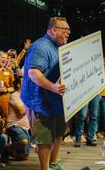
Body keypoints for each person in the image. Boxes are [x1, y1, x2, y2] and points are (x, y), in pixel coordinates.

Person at [21, 17, 69, 170]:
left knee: (59, 131)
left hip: (55, 100)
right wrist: (53, 87)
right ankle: (45, 168)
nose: (69, 32)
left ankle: (54, 163)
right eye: (65, 29)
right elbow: (33, 73)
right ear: (53, 30)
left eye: (69, 29)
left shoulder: (57, 47)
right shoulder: (41, 47)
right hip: (40, 100)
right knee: (45, 137)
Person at [2, 76, 31, 162]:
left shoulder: (27, 95)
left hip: (25, 127)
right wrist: (30, 101)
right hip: (14, 125)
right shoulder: (14, 96)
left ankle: (10, 150)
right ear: (18, 85)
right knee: (24, 141)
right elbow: (21, 112)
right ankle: (6, 149)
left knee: (24, 157)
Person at [0, 51, 15, 120]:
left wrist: (6, 90)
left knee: (5, 121)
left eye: (6, 58)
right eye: (2, 57)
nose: (4, 59)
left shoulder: (9, 72)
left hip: (5, 101)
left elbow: (14, 87)